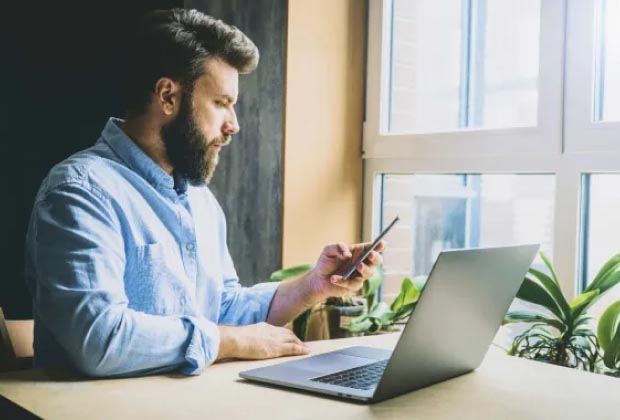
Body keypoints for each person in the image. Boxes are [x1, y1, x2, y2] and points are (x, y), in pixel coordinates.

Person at [24, 9, 384, 378]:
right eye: (221, 102)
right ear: (168, 96)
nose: (234, 125)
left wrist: (313, 286)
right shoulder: (80, 192)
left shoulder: (199, 199)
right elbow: (98, 341)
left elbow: (222, 309)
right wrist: (232, 341)